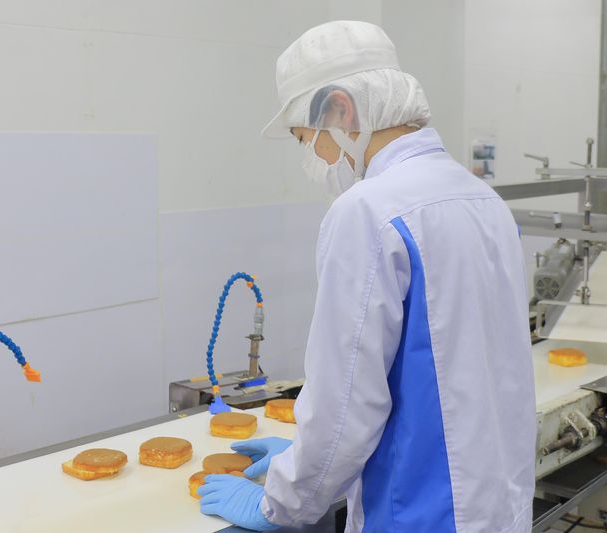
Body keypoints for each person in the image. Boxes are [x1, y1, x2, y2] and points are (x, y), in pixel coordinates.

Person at [197, 20, 536, 532]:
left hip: (419, 516)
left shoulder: (370, 211)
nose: (312, 158)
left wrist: (282, 500)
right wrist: (298, 455)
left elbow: (345, 408)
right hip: (497, 510)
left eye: (305, 139)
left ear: (340, 109)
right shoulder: (483, 199)